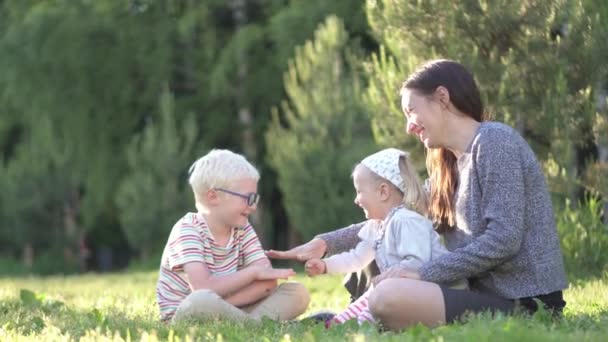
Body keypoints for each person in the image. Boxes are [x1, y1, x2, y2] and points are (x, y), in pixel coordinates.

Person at [267, 59, 568, 330]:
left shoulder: (495, 143)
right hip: (475, 295)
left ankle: (366, 317)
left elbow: (503, 240)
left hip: (524, 302)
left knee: (388, 295)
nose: (409, 126)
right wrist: (325, 244)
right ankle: (348, 320)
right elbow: (392, 218)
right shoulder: (446, 167)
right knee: (381, 257)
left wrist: (424, 273)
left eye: (411, 111)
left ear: (442, 98)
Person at [304, 148, 466, 327]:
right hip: (408, 287)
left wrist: (387, 277)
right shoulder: (377, 226)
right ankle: (339, 323)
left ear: (383, 192)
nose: (356, 200)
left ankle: (358, 326)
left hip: (441, 292)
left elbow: (417, 263)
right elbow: (356, 258)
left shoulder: (407, 221)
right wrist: (326, 265)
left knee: (377, 294)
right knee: (373, 292)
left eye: (359, 191)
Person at [156, 149, 310, 323]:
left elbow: (268, 283)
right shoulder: (187, 229)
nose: (253, 206)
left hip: (232, 308)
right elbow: (202, 288)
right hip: (189, 312)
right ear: (213, 197)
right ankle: (259, 323)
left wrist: (227, 306)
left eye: (255, 199)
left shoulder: (242, 229)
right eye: (248, 198)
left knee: (297, 293)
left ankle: (247, 323)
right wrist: (252, 274)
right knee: (201, 301)